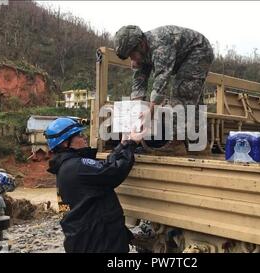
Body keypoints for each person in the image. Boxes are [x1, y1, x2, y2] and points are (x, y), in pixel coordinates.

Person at [45, 117, 145, 253]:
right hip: (98, 242)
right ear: (65, 143)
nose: (84, 137)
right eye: (79, 135)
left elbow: (103, 167)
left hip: (86, 239)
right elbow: (114, 172)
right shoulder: (77, 166)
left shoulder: (67, 166)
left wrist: (122, 145)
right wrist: (132, 143)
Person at [114, 25, 215, 156]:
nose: (132, 60)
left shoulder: (160, 46)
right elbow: (138, 85)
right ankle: (200, 146)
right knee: (193, 103)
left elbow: (161, 83)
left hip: (198, 51)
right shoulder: (140, 53)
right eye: (129, 57)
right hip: (182, 57)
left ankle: (176, 144)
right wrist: (134, 115)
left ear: (141, 44)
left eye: (132, 55)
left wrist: (149, 113)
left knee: (183, 93)